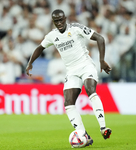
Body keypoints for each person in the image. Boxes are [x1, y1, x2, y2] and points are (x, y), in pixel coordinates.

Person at [26, 9, 112, 146]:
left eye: (61, 20)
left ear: (65, 18)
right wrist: (30, 63)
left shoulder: (76, 28)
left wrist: (102, 61)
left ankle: (103, 127)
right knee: (68, 103)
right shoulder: (52, 36)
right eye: (56, 21)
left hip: (86, 65)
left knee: (90, 90)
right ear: (53, 22)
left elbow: (100, 38)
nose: (59, 23)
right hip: (71, 71)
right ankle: (83, 135)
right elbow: (40, 48)